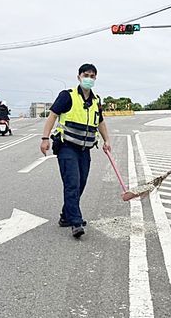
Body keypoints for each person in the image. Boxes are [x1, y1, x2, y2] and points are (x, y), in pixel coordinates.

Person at [40, 63, 112, 239]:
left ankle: (66, 216)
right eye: (86, 75)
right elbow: (53, 115)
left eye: (92, 76)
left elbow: (100, 121)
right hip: (66, 146)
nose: (89, 78)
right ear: (79, 76)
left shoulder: (96, 100)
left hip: (84, 149)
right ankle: (76, 222)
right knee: (72, 182)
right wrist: (45, 138)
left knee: (81, 183)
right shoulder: (67, 96)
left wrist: (107, 140)